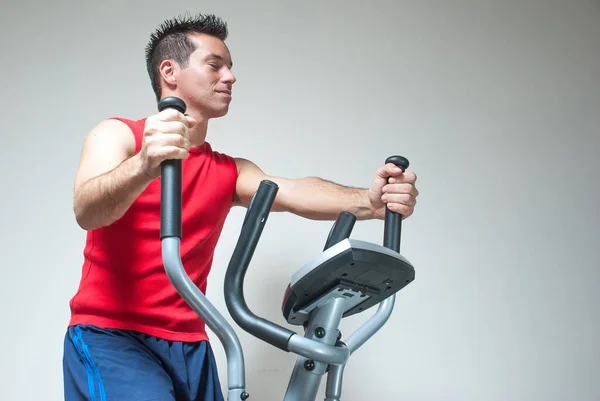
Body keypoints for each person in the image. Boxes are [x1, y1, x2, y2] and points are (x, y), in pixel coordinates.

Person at [63, 12, 419, 401]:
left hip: (190, 343)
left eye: (230, 67)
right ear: (170, 71)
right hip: (111, 334)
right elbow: (88, 209)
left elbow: (296, 192)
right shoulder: (118, 136)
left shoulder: (227, 171)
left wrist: (369, 202)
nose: (230, 77)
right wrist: (145, 164)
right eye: (215, 65)